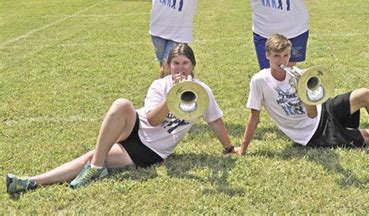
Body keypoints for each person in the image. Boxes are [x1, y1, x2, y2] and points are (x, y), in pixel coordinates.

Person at [6, 44, 235, 197]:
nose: (180, 68)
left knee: (91, 155)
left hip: (150, 150)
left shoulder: (202, 91)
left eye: (185, 63)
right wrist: (171, 96)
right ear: (168, 66)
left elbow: (215, 120)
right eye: (176, 63)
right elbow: (153, 119)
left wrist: (229, 148)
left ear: (193, 65)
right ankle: (96, 168)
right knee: (121, 104)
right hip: (136, 126)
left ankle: (30, 182)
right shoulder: (160, 85)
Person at [235, 33, 369, 155]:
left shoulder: (299, 73)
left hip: (323, 111)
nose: (282, 61)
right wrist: (243, 149)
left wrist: (304, 88)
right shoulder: (260, 81)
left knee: (365, 94)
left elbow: (315, 107)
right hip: (311, 133)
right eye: (276, 57)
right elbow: (254, 118)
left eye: (285, 55)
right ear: (267, 56)